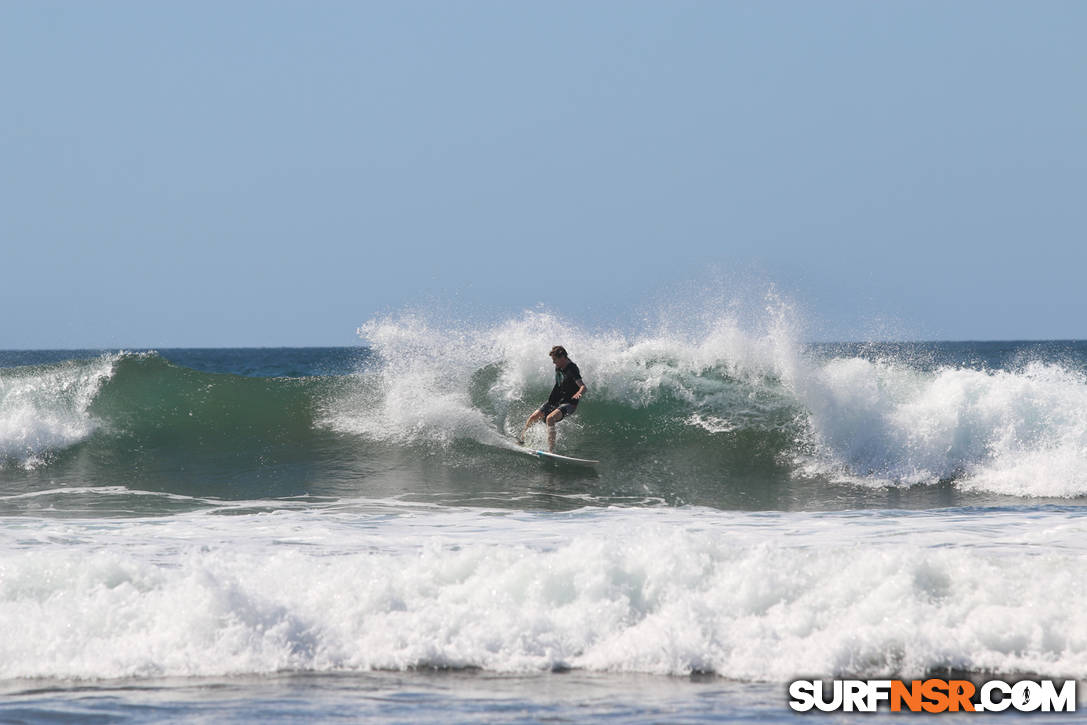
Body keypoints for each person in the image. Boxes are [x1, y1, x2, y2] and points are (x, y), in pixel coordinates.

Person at [517, 345, 587, 452]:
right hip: (556, 400)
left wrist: (579, 394)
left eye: (555, 359)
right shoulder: (559, 367)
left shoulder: (572, 368)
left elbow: (583, 386)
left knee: (550, 418)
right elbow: (560, 384)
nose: (553, 362)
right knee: (533, 417)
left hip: (569, 403)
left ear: (562, 357)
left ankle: (551, 450)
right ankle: (521, 440)